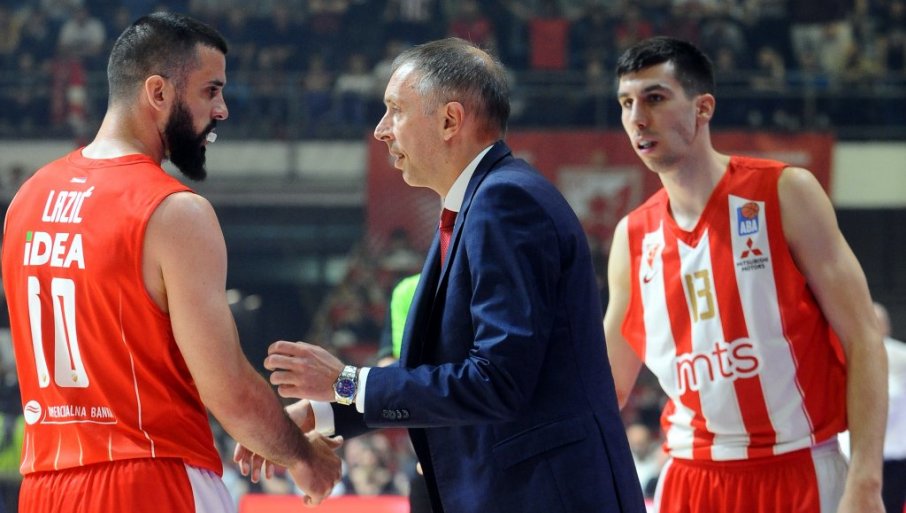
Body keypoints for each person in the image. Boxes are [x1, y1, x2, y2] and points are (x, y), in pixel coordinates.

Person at [236, 37, 646, 513]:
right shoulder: (477, 204)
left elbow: (497, 380)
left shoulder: (505, 202)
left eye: (395, 110)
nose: (380, 130)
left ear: (450, 120)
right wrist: (323, 412)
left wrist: (346, 381)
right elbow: (443, 371)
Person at [0, 12, 341, 513]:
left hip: (46, 487)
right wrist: (302, 455)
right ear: (157, 92)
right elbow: (227, 388)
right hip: (151, 477)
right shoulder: (173, 210)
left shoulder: (26, 200)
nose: (222, 109)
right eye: (211, 91)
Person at [603, 36, 887, 513]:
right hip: (689, 480)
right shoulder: (632, 237)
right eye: (626, 103)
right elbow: (604, 386)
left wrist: (866, 480)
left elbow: (863, 338)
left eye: (655, 98)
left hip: (800, 468)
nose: (637, 118)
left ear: (703, 108)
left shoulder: (785, 193)